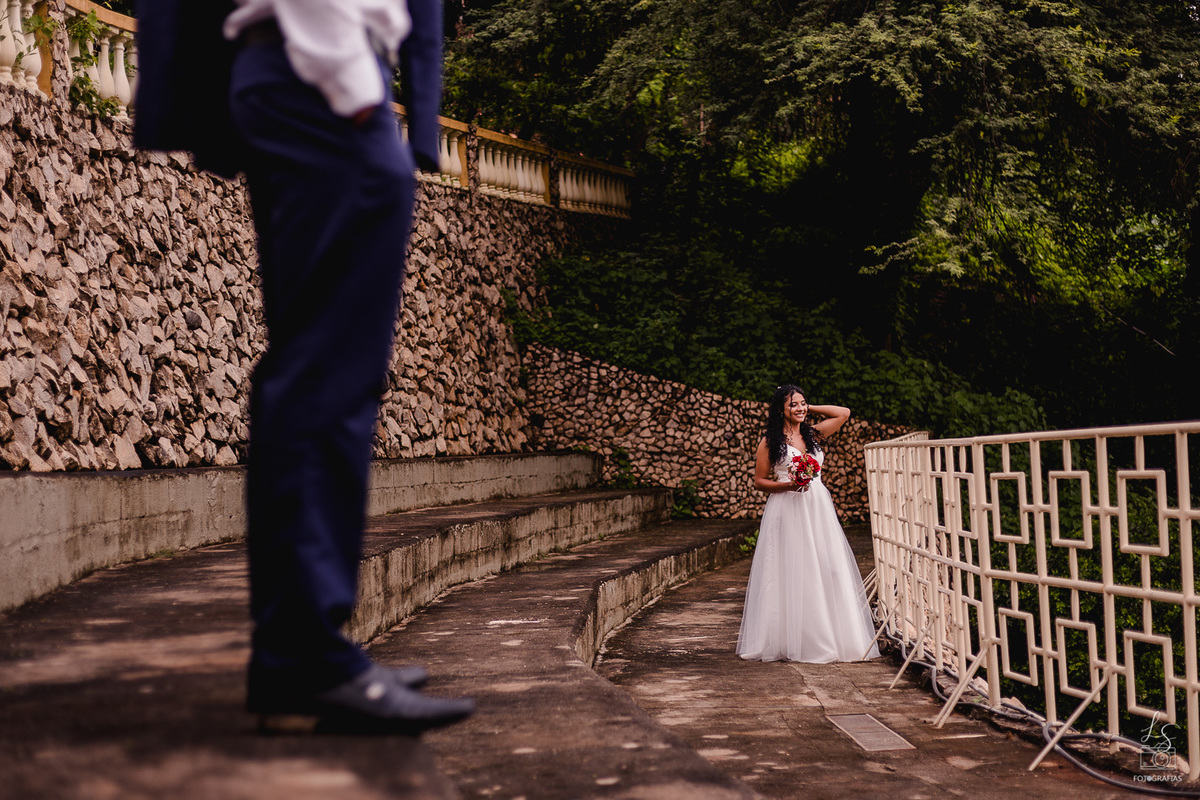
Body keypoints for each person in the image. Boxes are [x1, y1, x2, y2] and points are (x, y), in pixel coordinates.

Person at [134, 0, 474, 732]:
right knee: (331, 376)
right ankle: (305, 656)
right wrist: (348, 76)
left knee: (314, 368)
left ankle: (298, 650)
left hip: (299, 74)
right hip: (321, 75)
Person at [736, 385, 880, 663]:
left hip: (817, 507)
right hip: (787, 507)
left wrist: (806, 409)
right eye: (793, 405)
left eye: (803, 403)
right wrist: (789, 485)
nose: (801, 408)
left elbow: (843, 413)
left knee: (829, 566)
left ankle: (835, 634)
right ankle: (794, 640)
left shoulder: (812, 435)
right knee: (794, 568)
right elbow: (759, 481)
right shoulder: (770, 442)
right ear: (780, 410)